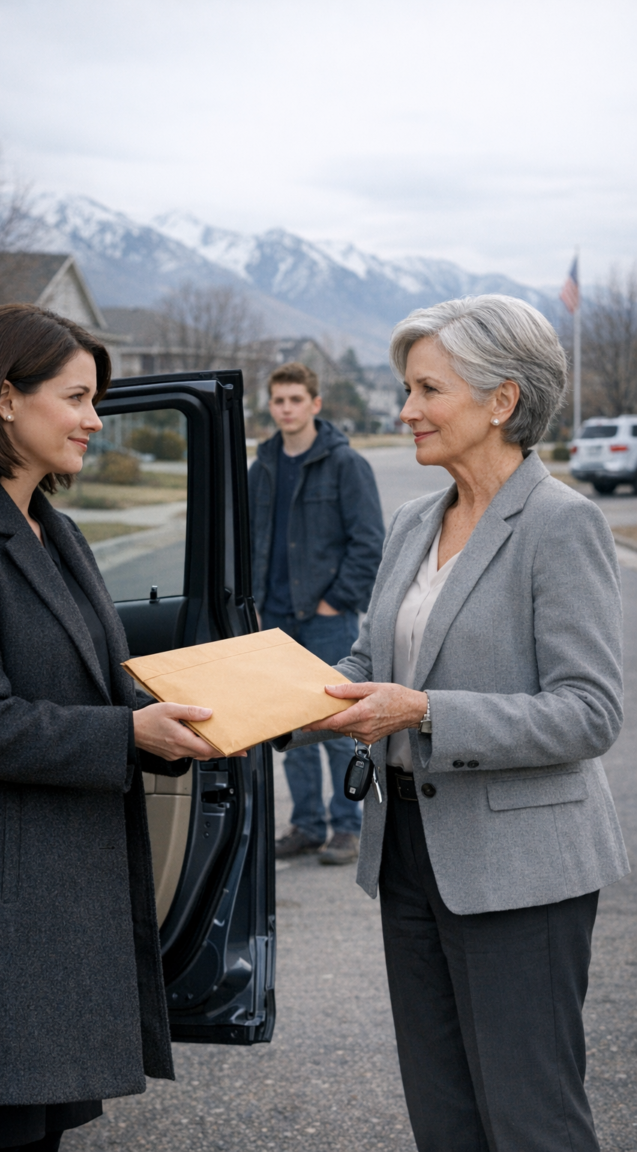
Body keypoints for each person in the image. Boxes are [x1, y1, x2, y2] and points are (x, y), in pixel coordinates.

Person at [0, 304, 222, 1152]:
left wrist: (195, 714)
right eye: (76, 398)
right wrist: (131, 735)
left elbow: (93, 681)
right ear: (6, 398)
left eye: (94, 400)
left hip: (53, 910)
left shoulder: (55, 531)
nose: (94, 420)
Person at [297, 295, 629, 1150]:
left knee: (530, 1118)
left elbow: (590, 712)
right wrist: (288, 697)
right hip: (408, 851)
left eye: (426, 389)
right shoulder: (415, 520)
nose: (406, 410)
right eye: (409, 389)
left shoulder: (561, 524)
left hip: (521, 870)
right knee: (442, 1113)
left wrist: (426, 712)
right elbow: (371, 659)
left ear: (501, 401)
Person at [249, 362, 384, 864]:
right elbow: (247, 542)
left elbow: (369, 543)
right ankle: (306, 824)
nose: (286, 409)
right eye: (278, 400)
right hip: (274, 620)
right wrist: (254, 608)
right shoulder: (260, 467)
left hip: (328, 618)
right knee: (288, 727)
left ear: (315, 404)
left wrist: (335, 600)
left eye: (295, 400)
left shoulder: (345, 465)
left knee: (334, 724)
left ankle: (346, 827)